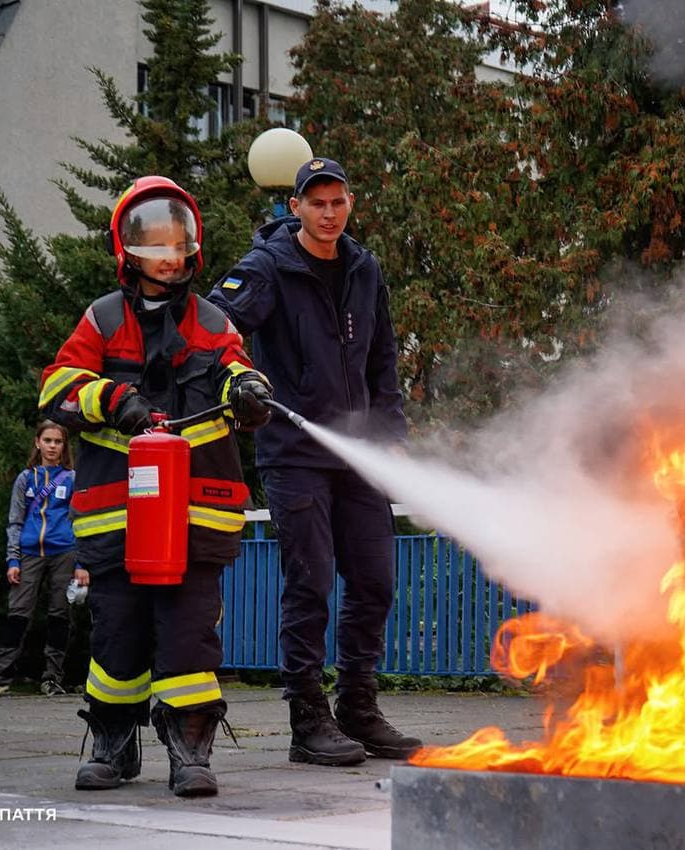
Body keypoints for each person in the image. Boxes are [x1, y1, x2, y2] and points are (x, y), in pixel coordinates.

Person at [39, 175, 273, 796]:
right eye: (156, 244)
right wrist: (113, 398)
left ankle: (190, 750)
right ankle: (114, 745)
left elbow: (235, 369)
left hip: (196, 517)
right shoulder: (102, 319)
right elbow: (58, 387)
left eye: (177, 243)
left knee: (189, 634)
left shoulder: (213, 322)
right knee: (117, 631)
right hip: (117, 514)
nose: (169, 256)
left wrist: (248, 391)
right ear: (128, 250)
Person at [208, 157, 421, 766]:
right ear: (295, 206)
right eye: (316, 203)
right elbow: (212, 326)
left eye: (337, 202)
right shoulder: (267, 267)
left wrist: (391, 433)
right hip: (295, 452)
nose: (328, 214)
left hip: (358, 455)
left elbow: (383, 359)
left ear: (350, 203)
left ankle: (358, 707)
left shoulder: (363, 268)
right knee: (310, 583)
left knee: (375, 580)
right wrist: (238, 380)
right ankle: (307, 719)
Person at [0, 421, 77, 698]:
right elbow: (15, 521)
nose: (52, 446)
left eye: (58, 441)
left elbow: (79, 522)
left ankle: (52, 678)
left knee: (60, 615)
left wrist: (81, 565)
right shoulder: (25, 478)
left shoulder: (72, 479)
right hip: (29, 553)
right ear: (37, 443)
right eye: (48, 440)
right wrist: (13, 560)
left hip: (64, 552)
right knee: (18, 614)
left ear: (64, 446)